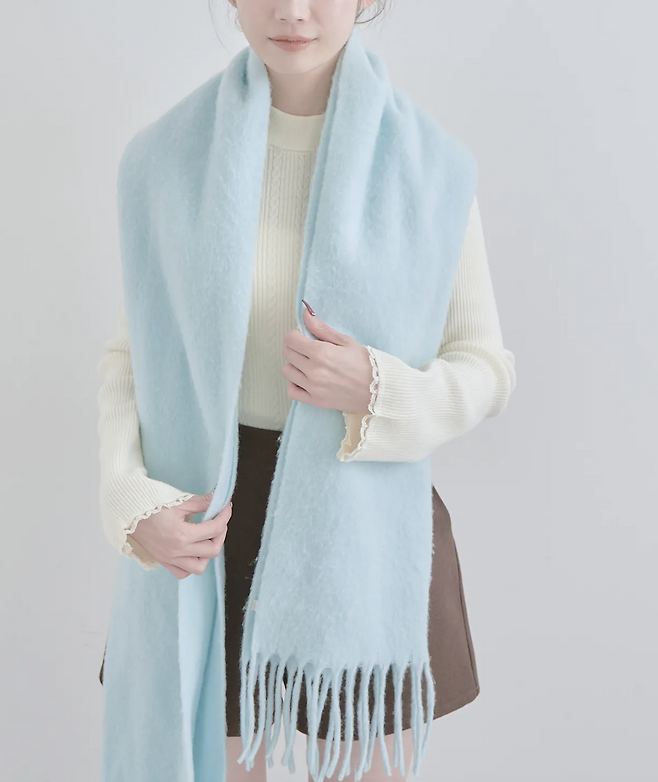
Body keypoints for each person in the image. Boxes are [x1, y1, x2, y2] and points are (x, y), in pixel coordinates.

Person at [97, 2, 517, 780]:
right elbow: (133, 357)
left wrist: (378, 389)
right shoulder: (162, 162)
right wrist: (129, 499)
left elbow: (486, 366)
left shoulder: (433, 169)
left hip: (368, 532)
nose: (293, 10)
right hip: (207, 523)